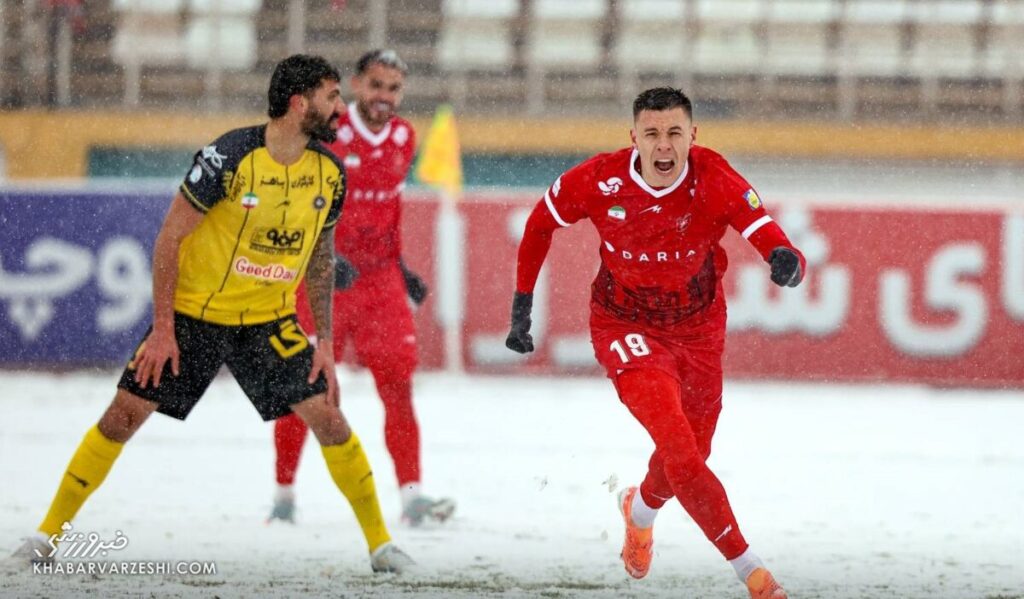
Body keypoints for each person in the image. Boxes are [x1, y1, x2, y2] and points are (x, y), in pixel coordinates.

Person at [12, 54, 413, 574]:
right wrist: (163, 328)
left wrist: (326, 344)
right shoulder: (229, 157)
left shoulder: (329, 173)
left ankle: (381, 546)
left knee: (331, 420)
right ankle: (47, 536)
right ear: (299, 103)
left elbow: (320, 259)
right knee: (121, 417)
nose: (342, 108)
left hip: (268, 322)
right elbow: (169, 239)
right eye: (332, 97)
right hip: (193, 317)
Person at [504, 87, 802, 599]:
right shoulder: (599, 179)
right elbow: (539, 224)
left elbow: (768, 232)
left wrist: (785, 259)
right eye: (652, 134)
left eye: (674, 133)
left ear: (692, 136)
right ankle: (754, 574)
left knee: (693, 452)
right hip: (624, 325)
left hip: (699, 327)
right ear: (634, 138)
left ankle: (638, 511)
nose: (664, 145)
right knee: (681, 449)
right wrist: (522, 303)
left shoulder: (714, 177)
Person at [269, 49, 454, 527]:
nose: (384, 97)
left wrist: (401, 266)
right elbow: (295, 202)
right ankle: (283, 497)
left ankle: (412, 498)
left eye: (394, 88)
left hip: (379, 281)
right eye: (376, 86)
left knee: (398, 387)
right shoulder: (327, 133)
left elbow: (388, 207)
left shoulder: (404, 137)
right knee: (307, 390)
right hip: (322, 281)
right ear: (356, 85)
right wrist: (324, 256)